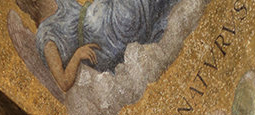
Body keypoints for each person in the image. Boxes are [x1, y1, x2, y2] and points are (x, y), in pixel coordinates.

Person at [16, 0, 182, 93]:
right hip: (102, 47)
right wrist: (77, 55)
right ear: (34, 3)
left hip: (101, 20)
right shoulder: (46, 36)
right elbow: (64, 82)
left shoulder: (59, 3)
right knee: (135, 6)